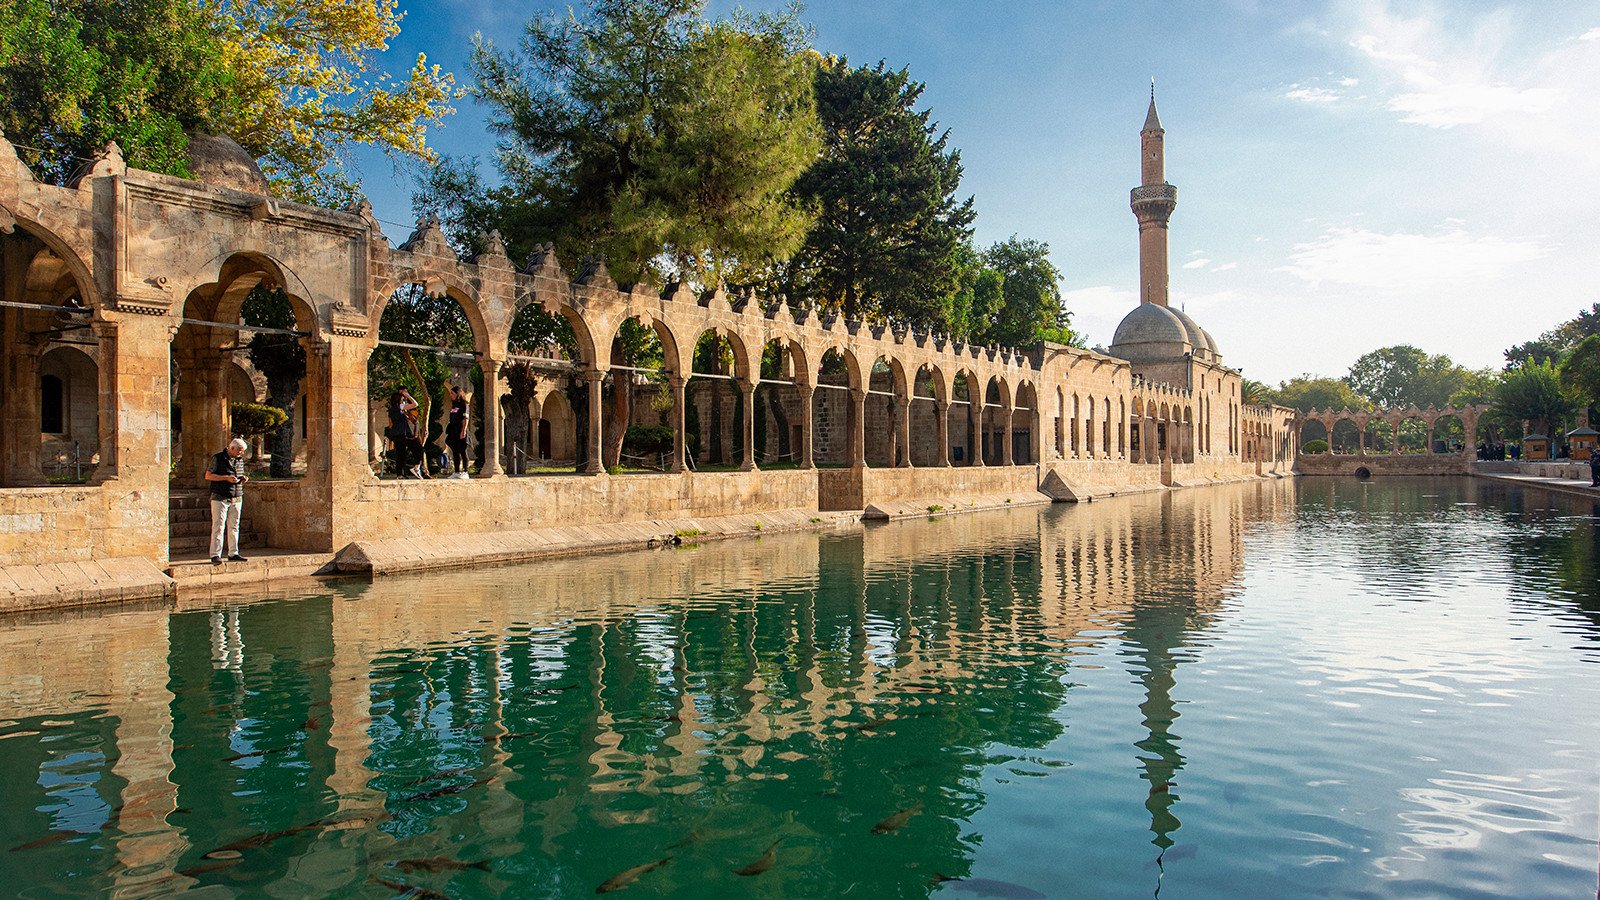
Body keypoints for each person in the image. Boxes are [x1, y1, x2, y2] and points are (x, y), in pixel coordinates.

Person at [204, 437, 249, 564]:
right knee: (218, 526)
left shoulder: (239, 460)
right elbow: (208, 475)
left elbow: (237, 474)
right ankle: (215, 554)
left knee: (234, 526)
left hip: (236, 496)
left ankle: (233, 552)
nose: (241, 453)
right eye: (240, 451)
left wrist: (242, 479)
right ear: (232, 448)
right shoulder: (218, 458)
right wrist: (226, 478)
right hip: (220, 497)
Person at [388, 388, 425, 478]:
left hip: (395, 434)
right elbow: (415, 404)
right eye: (403, 400)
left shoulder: (392, 409)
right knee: (419, 448)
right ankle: (416, 467)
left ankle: (400, 474)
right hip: (404, 433)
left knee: (400, 454)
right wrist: (407, 395)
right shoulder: (400, 406)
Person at [445, 384, 470, 478]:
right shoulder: (454, 405)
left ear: (457, 393)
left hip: (461, 429)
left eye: (452, 393)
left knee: (462, 451)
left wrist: (463, 431)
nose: (450, 395)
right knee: (455, 451)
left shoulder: (464, 405)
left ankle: (465, 471)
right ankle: (456, 471)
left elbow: (466, 419)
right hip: (453, 430)